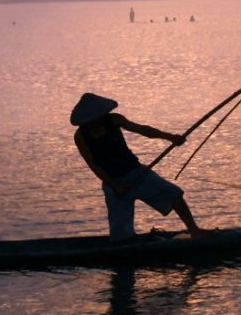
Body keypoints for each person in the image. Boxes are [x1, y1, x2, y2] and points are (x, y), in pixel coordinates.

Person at [71, 93, 210, 242]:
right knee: (120, 238)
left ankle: (194, 230)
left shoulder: (114, 120)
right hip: (114, 184)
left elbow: (143, 130)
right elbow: (93, 164)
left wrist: (170, 137)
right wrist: (115, 185)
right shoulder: (81, 136)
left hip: (137, 174)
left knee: (173, 194)